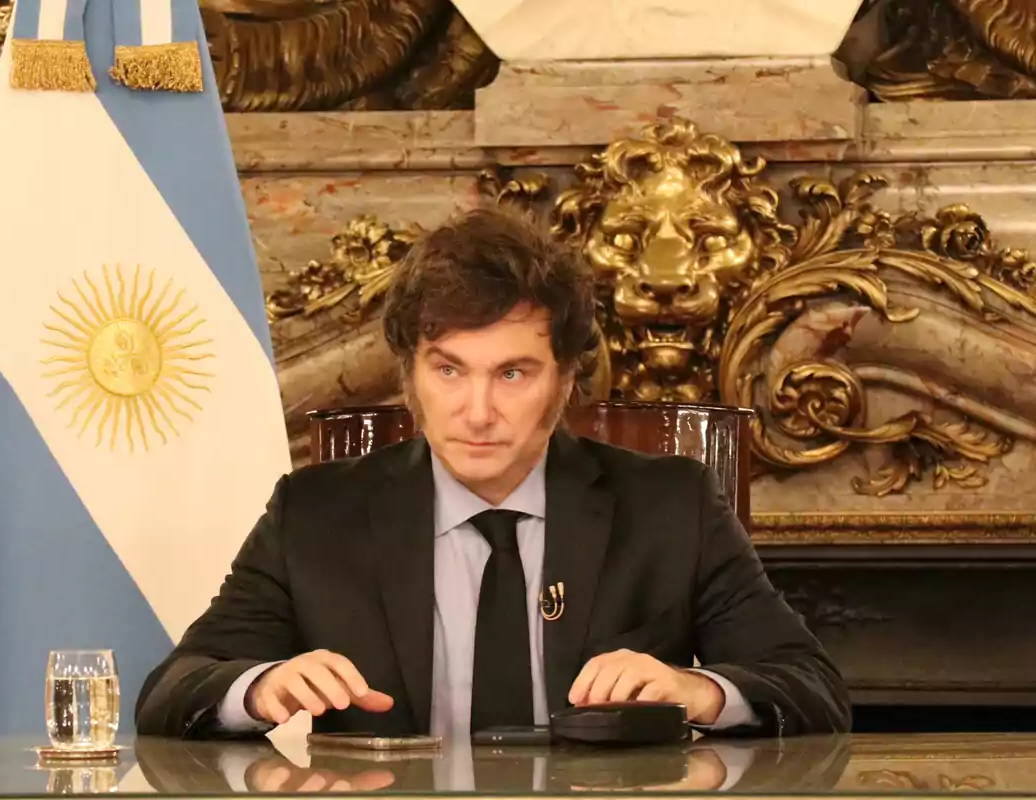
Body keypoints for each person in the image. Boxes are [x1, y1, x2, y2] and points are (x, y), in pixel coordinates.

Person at [134, 206, 851, 741]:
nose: (477, 411)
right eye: (449, 370)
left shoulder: (668, 505)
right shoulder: (317, 514)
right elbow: (173, 690)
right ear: (410, 376)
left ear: (564, 379)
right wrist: (262, 688)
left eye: (513, 373)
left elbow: (814, 690)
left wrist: (696, 690)